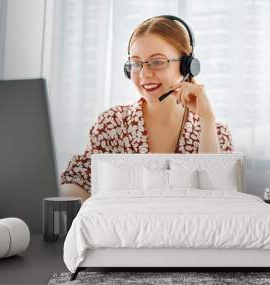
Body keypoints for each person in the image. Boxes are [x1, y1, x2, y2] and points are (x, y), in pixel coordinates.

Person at [60, 15, 234, 202]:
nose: (144, 74)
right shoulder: (113, 123)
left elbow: (218, 199)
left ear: (187, 66)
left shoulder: (216, 132)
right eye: (136, 63)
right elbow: (78, 181)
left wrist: (207, 119)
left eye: (157, 62)